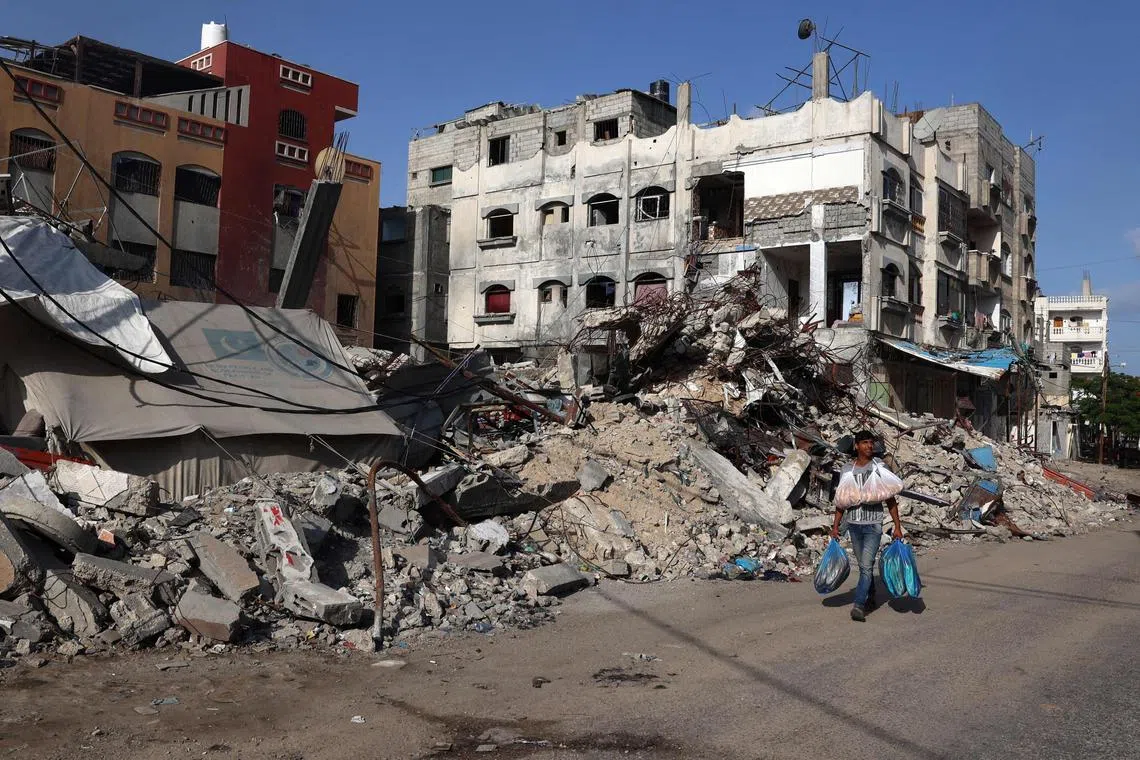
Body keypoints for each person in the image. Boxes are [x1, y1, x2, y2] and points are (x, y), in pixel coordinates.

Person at [830, 430, 904, 622]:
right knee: (866, 567)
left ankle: (859, 606)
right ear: (856, 446)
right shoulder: (847, 470)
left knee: (865, 566)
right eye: (864, 443)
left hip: (873, 525)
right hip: (854, 525)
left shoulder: (879, 467)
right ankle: (871, 597)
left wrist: (897, 527)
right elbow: (842, 501)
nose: (869, 446)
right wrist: (836, 526)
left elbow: (890, 499)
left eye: (871, 443)